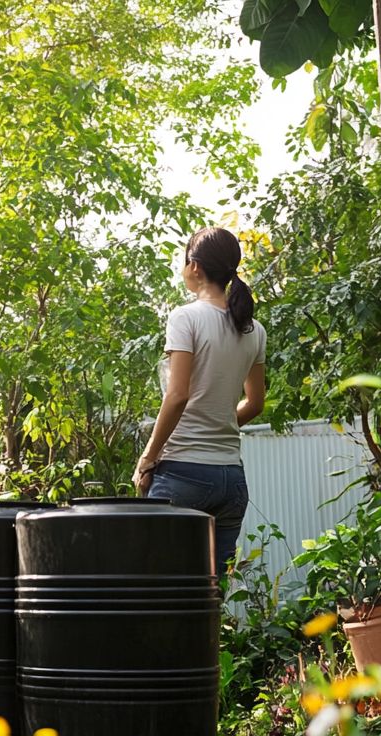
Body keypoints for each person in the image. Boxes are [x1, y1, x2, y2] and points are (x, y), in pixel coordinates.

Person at [133, 226, 266, 572]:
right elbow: (254, 404)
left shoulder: (185, 318)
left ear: (194, 267)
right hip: (231, 480)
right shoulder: (254, 329)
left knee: (159, 589)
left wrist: (148, 458)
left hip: (182, 475)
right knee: (210, 595)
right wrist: (218, 420)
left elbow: (177, 396)